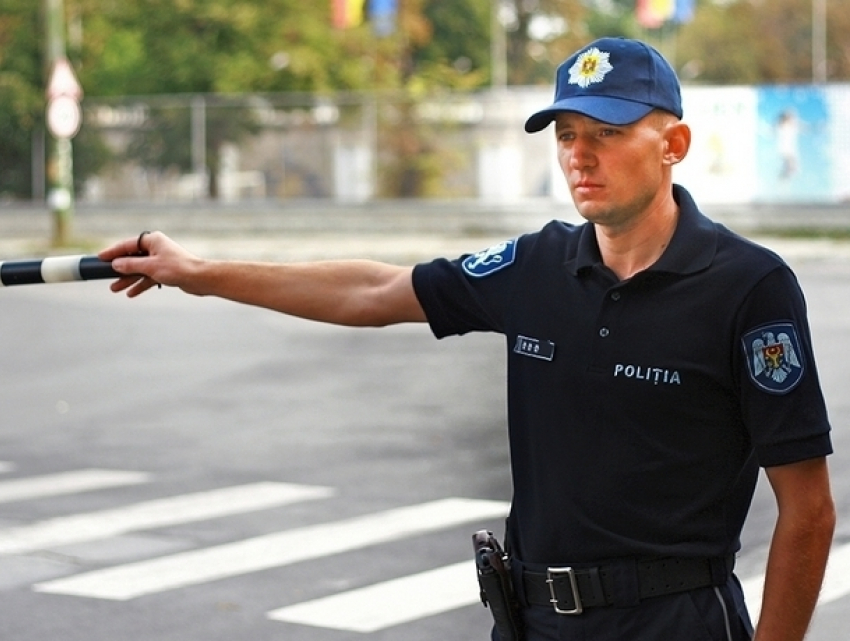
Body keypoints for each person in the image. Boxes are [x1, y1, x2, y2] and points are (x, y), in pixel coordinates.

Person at [99, 37, 835, 641]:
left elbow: (808, 509)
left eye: (607, 134)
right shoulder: (537, 264)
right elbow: (373, 291)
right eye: (569, 136)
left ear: (673, 142)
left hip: (676, 624)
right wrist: (199, 271)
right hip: (535, 622)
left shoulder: (747, 285)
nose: (580, 156)